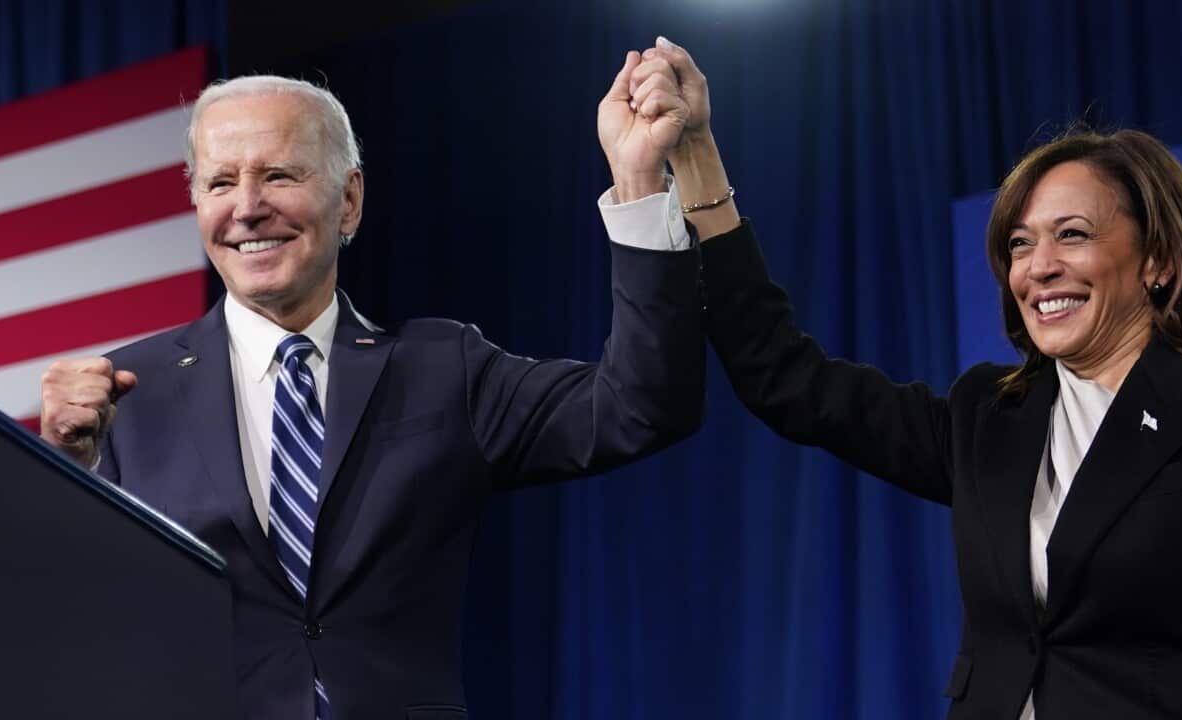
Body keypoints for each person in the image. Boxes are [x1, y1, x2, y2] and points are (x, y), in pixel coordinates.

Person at [617, 39, 1182, 719]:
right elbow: (784, 378)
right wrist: (694, 155)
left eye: (1071, 235)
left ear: (1158, 261)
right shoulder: (988, 414)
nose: (1037, 267)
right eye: (1020, 243)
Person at [38, 49, 703, 720]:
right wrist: (63, 470)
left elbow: (641, 409)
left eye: (277, 174)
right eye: (219, 183)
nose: (247, 207)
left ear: (348, 199)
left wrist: (639, 182)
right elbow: (57, 619)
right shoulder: (127, 393)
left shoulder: (445, 368)